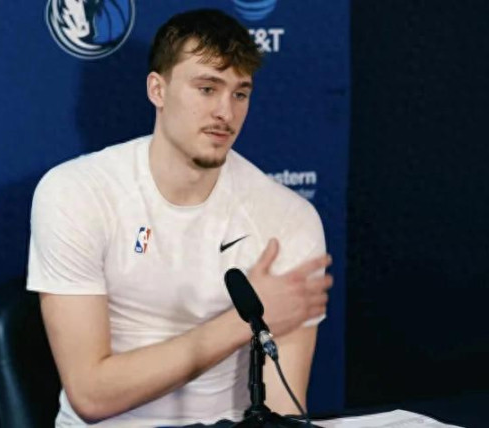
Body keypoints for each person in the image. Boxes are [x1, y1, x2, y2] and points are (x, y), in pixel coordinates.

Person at [27, 8, 333, 427]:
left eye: (240, 94)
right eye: (207, 88)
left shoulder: (289, 218)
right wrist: (244, 321)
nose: (225, 112)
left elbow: (284, 409)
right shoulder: (76, 192)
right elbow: (91, 395)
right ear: (158, 89)